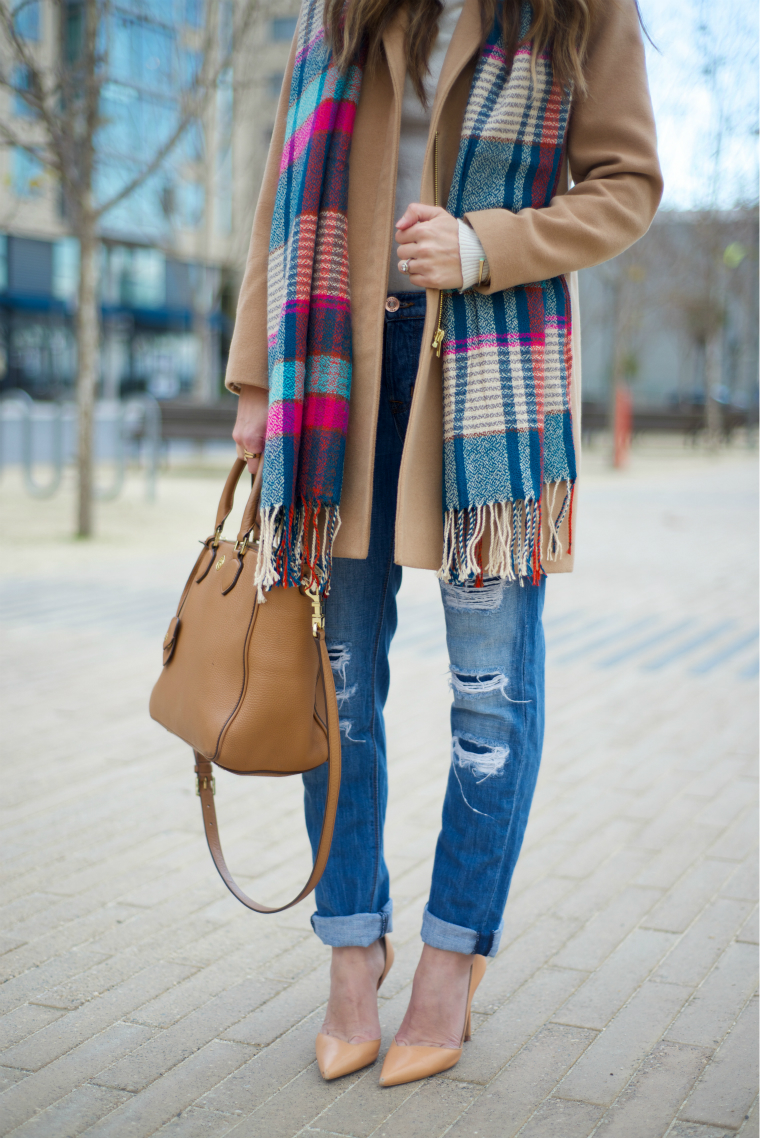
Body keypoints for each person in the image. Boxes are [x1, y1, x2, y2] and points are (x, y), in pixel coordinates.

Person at [227, 0, 662, 1087]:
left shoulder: (581, 9)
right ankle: (349, 944)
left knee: (487, 695)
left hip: (486, 372)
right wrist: (248, 377)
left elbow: (626, 186)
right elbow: (281, 193)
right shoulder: (340, 8)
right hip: (334, 371)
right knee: (333, 681)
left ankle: (447, 961)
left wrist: (485, 244)